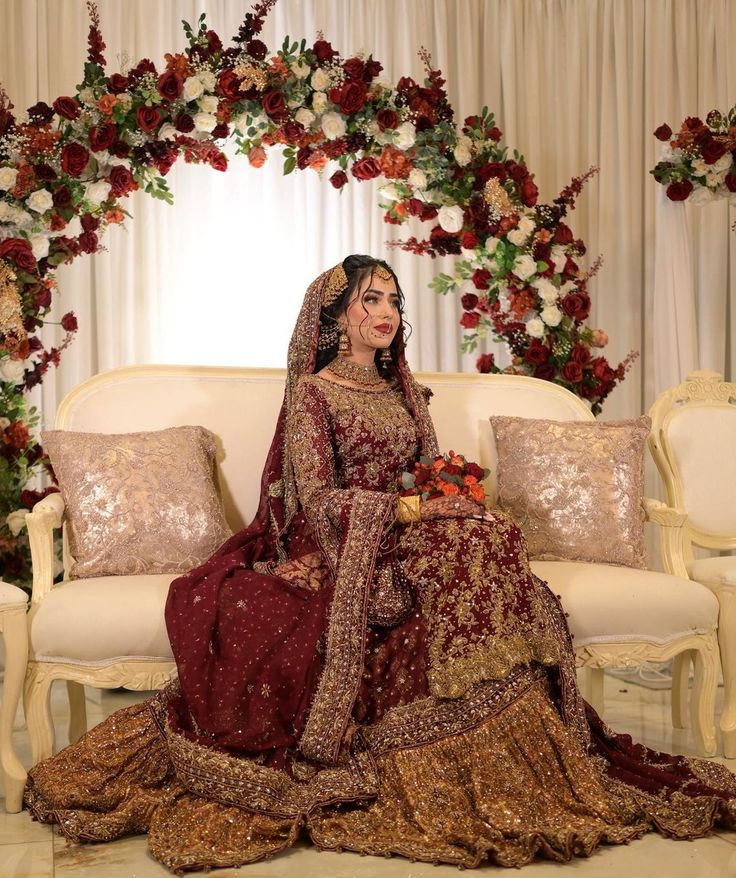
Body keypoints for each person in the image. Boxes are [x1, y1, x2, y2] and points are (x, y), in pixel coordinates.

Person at [25, 256, 736, 872]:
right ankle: (469, 765)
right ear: (335, 316)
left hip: (409, 532)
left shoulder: (406, 392)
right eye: (372, 298)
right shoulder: (313, 395)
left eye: (394, 299)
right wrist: (411, 513)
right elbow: (317, 498)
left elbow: (430, 469)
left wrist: (456, 498)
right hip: (344, 543)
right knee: (458, 557)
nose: (388, 311)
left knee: (488, 544)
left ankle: (518, 758)